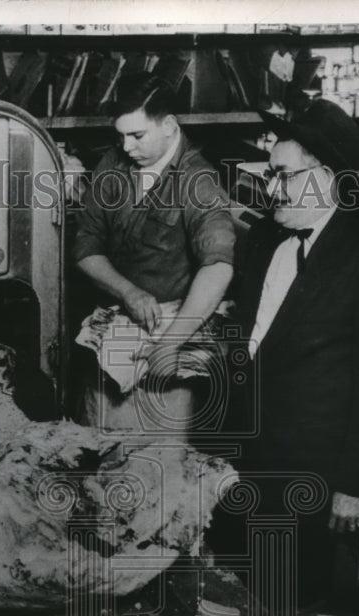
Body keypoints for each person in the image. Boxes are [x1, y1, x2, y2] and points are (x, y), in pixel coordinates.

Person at [216, 100, 359, 610]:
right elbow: (252, 331)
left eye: (282, 176)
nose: (270, 188)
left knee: (288, 597)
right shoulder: (266, 234)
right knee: (231, 583)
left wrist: (353, 485)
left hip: (309, 470)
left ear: (324, 178)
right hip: (245, 448)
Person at [73, 72, 235, 433]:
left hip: (167, 346)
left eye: (137, 135)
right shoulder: (113, 165)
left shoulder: (199, 182)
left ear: (169, 125)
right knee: (93, 454)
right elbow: (86, 245)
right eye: (121, 136)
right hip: (110, 336)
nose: (126, 147)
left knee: (155, 467)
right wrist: (127, 291)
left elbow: (218, 267)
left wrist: (171, 343)